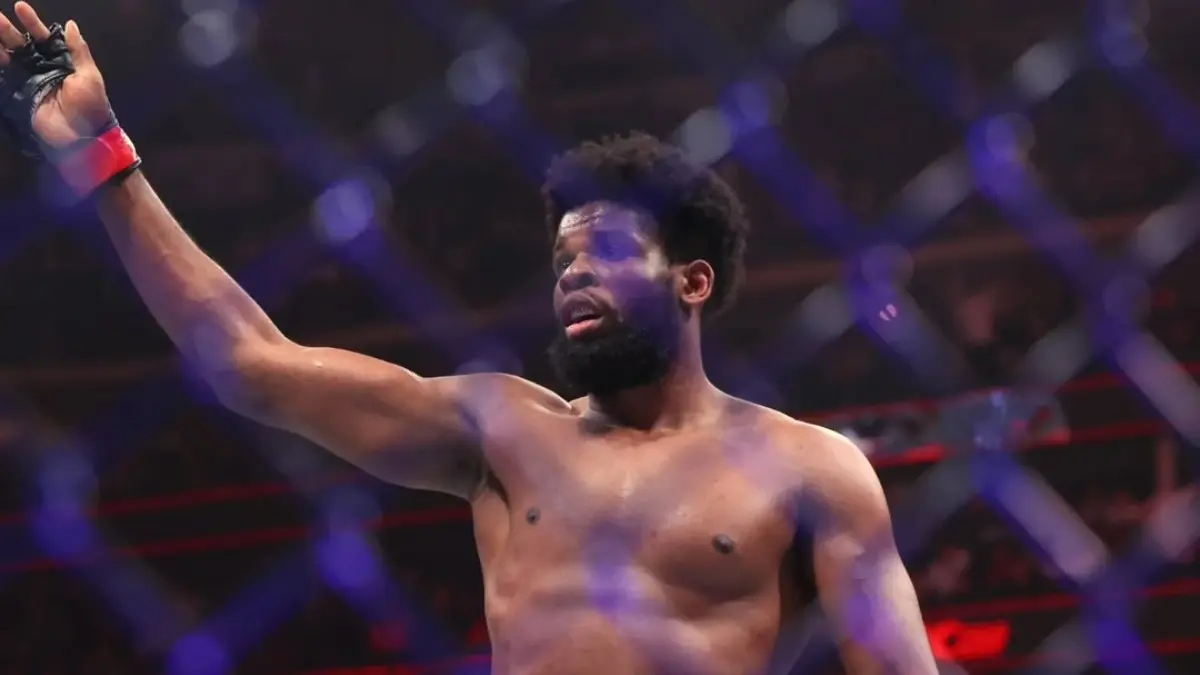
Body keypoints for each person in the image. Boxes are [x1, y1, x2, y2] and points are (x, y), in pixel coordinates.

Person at [0, 4, 938, 673]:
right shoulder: (504, 433)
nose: (572, 272)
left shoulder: (808, 469)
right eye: (563, 257)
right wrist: (104, 160)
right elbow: (251, 365)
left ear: (692, 282)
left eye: (609, 251)